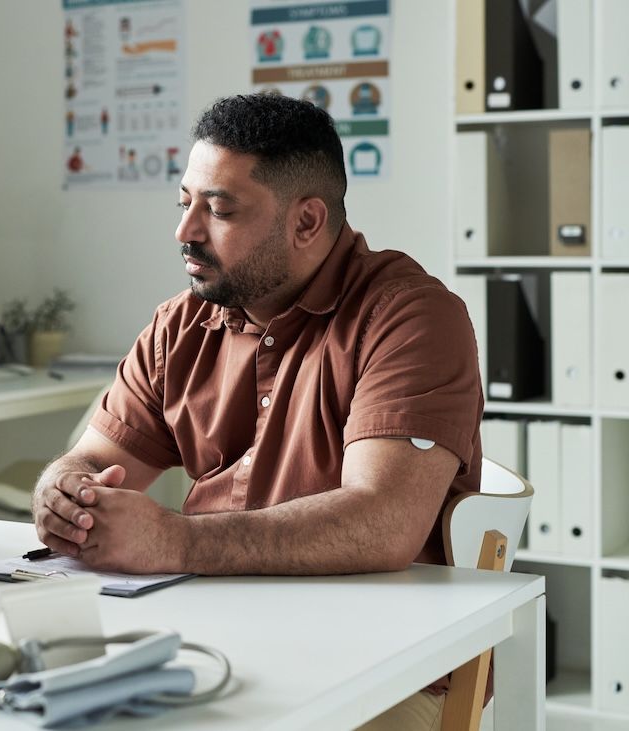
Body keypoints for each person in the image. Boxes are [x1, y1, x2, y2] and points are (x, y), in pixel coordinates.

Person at [32, 93, 482, 729]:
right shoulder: (179, 325)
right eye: (184, 203)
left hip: (375, 659)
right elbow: (92, 461)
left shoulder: (410, 318)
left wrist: (172, 541)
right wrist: (63, 493)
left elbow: (384, 521)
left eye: (219, 210)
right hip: (208, 636)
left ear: (306, 222)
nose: (186, 231)